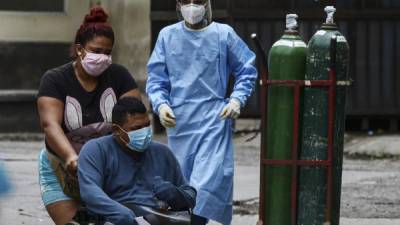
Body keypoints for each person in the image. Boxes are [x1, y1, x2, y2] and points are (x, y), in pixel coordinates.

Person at [146, 0, 258, 224]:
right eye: (186, 1)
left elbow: (247, 69)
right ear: (178, 4)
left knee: (206, 185)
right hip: (180, 122)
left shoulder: (223, 35)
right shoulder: (167, 36)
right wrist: (161, 104)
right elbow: (156, 79)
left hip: (214, 119)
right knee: (182, 187)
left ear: (207, 3)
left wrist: (236, 99)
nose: (192, 6)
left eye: (197, 1)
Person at [36, 6, 141, 225]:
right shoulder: (55, 79)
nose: (102, 57)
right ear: (80, 49)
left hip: (109, 170)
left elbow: (135, 119)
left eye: (107, 53)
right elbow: (50, 125)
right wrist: (71, 157)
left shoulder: (119, 76)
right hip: (63, 171)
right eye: (96, 51)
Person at [78, 97, 196, 225]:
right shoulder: (96, 150)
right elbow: (90, 192)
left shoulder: (162, 152)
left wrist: (175, 194)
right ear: (117, 130)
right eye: (136, 128)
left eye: (147, 125)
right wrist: (122, 214)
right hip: (116, 219)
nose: (144, 132)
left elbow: (190, 194)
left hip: (159, 217)